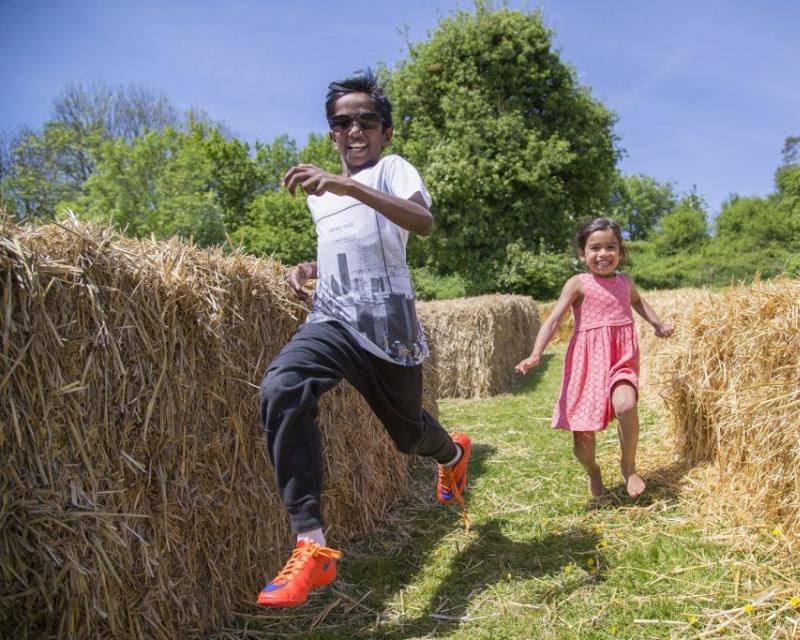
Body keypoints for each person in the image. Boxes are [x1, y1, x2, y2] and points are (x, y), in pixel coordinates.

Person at [256, 69, 471, 609]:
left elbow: (421, 222)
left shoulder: (392, 170)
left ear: (385, 132)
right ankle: (312, 544)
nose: (354, 130)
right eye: (342, 122)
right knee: (282, 386)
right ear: (331, 132)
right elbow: (345, 243)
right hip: (332, 319)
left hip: (390, 328)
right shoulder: (320, 196)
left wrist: (350, 183)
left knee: (408, 436)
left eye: (366, 121)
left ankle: (451, 452)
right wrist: (312, 266)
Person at [515, 217, 673, 499]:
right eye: (595, 248)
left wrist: (657, 323)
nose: (603, 254)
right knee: (583, 441)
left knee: (626, 405)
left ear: (621, 252)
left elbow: (636, 301)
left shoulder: (625, 282)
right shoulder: (578, 283)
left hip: (621, 358)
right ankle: (593, 471)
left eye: (611, 247)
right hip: (587, 366)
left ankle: (628, 467)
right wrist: (535, 354)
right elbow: (553, 321)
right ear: (582, 254)